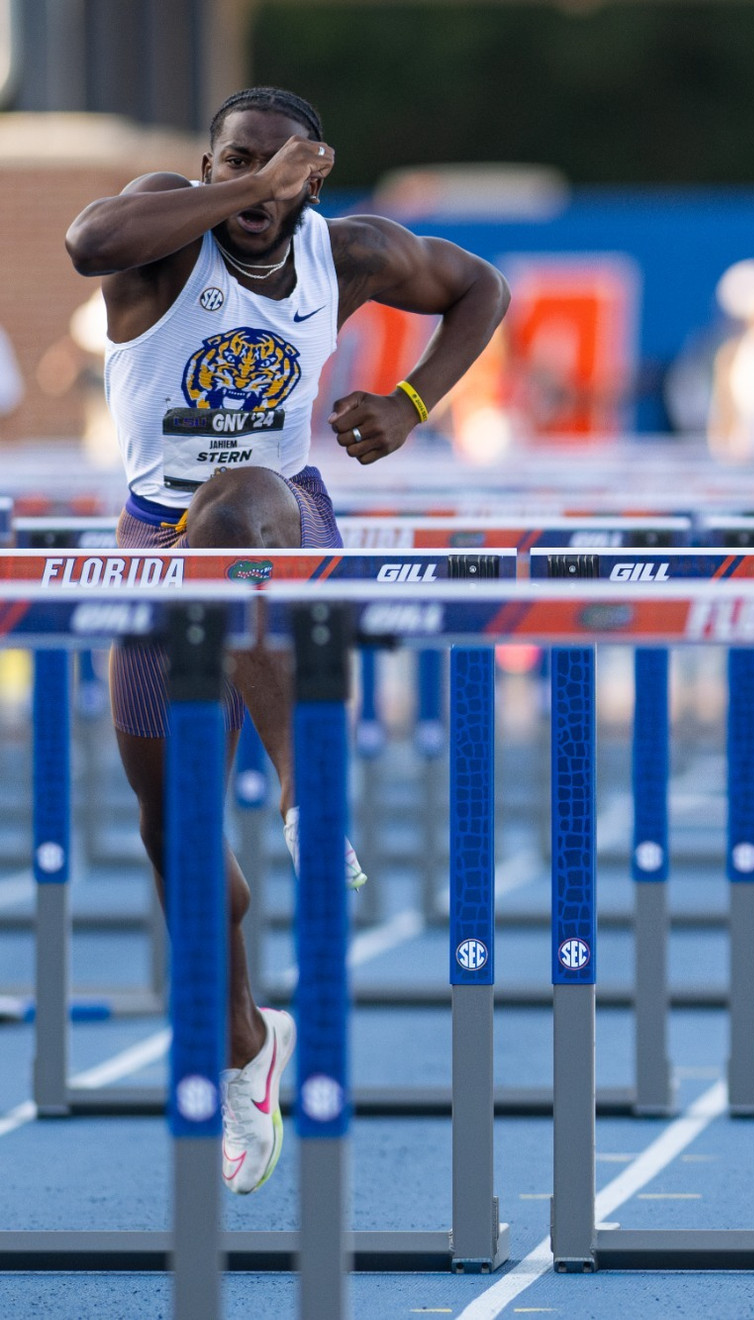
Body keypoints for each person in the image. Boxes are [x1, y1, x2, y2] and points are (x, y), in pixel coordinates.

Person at [65, 87, 509, 1194]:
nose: (255, 184)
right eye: (234, 158)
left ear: (319, 168)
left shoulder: (346, 255)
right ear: (211, 161)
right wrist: (239, 186)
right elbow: (85, 242)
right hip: (152, 531)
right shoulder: (169, 229)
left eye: (276, 165)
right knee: (174, 830)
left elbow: (478, 289)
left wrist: (412, 402)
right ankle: (247, 1050)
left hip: (286, 520)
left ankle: (311, 794)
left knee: (244, 496)